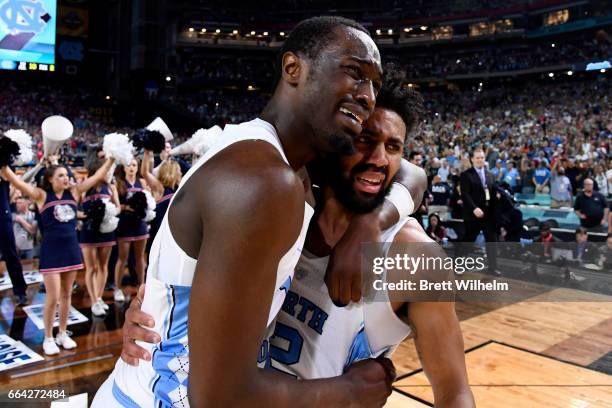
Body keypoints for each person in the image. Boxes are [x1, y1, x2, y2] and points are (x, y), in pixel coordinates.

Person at [93, 16, 402, 408]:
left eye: (375, 83)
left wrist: (371, 221)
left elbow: (408, 171)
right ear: (293, 68)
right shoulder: (263, 180)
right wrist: (351, 392)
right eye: (355, 73)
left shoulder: (281, 159)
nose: (368, 94)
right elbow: (220, 398)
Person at [118, 82, 475, 407]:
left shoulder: (413, 256)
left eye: (393, 148)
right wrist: (153, 318)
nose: (380, 159)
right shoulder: (278, 209)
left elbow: (454, 392)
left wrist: (370, 223)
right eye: (364, 139)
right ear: (332, 142)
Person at [1, 162, 109, 355]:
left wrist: (112, 158)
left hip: (71, 251)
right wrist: (4, 165)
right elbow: (18, 183)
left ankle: (62, 333)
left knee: (67, 295)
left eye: (66, 175)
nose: (66, 178)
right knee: (53, 297)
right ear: (50, 179)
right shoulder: (42, 196)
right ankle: (48, 337)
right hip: (51, 252)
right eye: (60, 175)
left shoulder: (74, 193)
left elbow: (97, 176)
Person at [78, 158, 119, 317]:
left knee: (103, 266)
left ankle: (99, 297)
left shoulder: (110, 187)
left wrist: (109, 213)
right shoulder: (84, 188)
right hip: (89, 230)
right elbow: (74, 211)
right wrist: (88, 215)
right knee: (91, 267)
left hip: (106, 230)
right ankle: (94, 301)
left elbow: (117, 208)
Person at [112, 158, 149, 302]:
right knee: (123, 257)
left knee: (140, 257)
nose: (132, 168)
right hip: (125, 224)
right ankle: (117, 287)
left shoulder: (143, 182)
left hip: (140, 223)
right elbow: (117, 206)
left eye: (134, 165)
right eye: (129, 165)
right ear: (124, 168)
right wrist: (128, 207)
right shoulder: (119, 184)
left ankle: (141, 286)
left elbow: (149, 201)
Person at [460, 148, 498, 274]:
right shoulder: (466, 175)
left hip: (488, 214)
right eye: (477, 158)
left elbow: (493, 193)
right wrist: (474, 208)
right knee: (468, 240)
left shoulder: (490, 175)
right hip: (473, 214)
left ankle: (493, 268)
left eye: (482, 157)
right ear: (472, 159)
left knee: (492, 240)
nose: (480, 160)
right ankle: (458, 264)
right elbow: (465, 195)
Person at [140, 149, 181, 254]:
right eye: (178, 170)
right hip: (159, 232)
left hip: (173, 233)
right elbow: (144, 173)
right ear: (171, 172)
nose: (180, 173)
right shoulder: (160, 188)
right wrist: (146, 153)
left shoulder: (178, 189)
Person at [0, 168, 28, 305]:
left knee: (10, 254)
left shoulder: (4, 166)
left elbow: (13, 189)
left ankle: (20, 291)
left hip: (2, 214)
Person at [12, 196, 37, 261]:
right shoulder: (13, 215)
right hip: (16, 248)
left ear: (26, 204)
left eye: (20, 203)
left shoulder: (33, 215)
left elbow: (33, 231)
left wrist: (21, 220)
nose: (17, 205)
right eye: (16, 203)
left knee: (29, 268)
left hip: (29, 249)